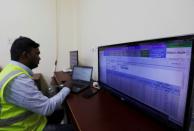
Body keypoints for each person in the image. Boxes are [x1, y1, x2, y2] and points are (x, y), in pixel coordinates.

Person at [0, 36, 74, 131]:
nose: (39, 58)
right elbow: (47, 108)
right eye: (37, 54)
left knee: (60, 111)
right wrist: (66, 88)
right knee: (76, 128)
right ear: (25, 55)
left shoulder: (11, 70)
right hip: (25, 128)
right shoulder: (17, 80)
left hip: (33, 121)